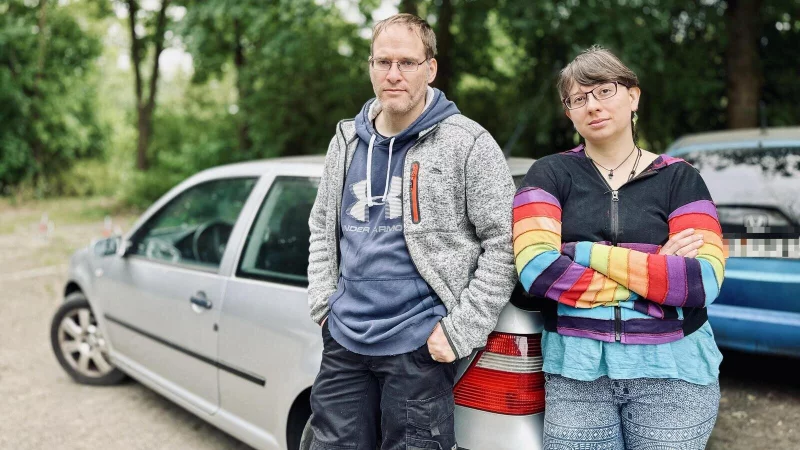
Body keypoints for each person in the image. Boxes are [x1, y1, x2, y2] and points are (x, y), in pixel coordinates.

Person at [306, 13, 517, 450]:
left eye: (406, 62)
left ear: (430, 68)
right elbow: (322, 230)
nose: (394, 74)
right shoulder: (345, 141)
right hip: (345, 342)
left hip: (418, 347)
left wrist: (457, 332)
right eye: (383, 62)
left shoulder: (468, 143)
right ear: (370, 67)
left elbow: (504, 244)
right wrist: (325, 305)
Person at [513, 46, 726, 449]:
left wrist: (579, 253)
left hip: (674, 377)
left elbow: (701, 284)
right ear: (569, 113)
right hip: (577, 378)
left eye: (604, 90)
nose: (592, 105)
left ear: (633, 96)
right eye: (579, 98)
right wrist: (656, 273)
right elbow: (537, 270)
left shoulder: (681, 179)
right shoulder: (549, 174)